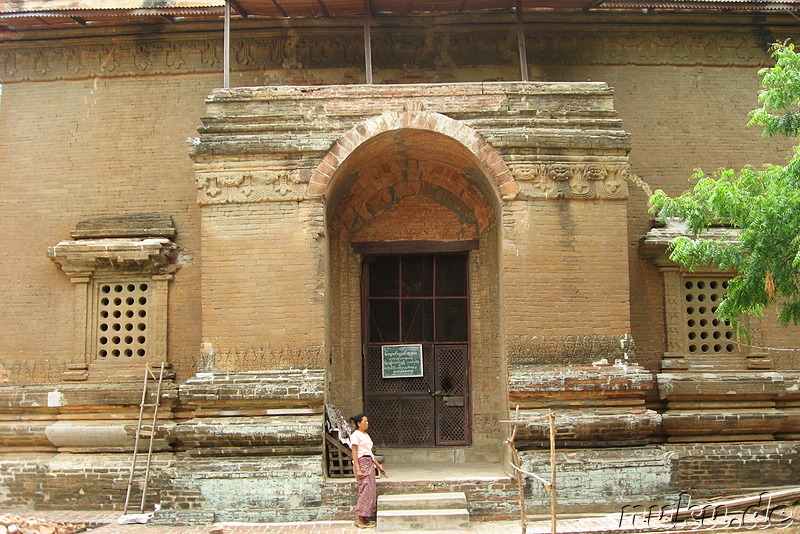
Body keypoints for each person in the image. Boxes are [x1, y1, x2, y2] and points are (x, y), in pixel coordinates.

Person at [349, 413, 387, 528]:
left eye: (367, 421)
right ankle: (358, 518)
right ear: (358, 423)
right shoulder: (355, 435)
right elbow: (354, 452)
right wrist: (358, 469)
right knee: (364, 490)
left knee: (370, 491)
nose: (367, 423)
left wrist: (379, 466)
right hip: (361, 463)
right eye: (364, 421)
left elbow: (370, 453)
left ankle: (364, 517)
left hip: (369, 462)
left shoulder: (365, 435)